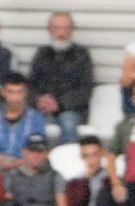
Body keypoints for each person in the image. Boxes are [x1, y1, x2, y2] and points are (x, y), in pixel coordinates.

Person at [27, 13, 93, 146]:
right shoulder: (41, 54)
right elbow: (30, 85)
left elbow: (85, 90)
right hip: (43, 109)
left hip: (72, 110)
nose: (61, 33)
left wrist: (59, 104)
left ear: (72, 30)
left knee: (68, 122)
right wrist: (38, 100)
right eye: (57, 28)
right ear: (50, 30)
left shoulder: (82, 55)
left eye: (66, 28)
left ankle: (68, 159)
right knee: (32, 123)